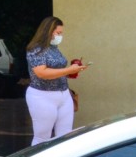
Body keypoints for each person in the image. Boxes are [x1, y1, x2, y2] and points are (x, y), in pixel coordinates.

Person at [25, 16, 88, 145]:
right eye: (58, 33)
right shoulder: (36, 49)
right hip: (42, 95)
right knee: (42, 137)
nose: (60, 36)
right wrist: (68, 70)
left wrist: (72, 71)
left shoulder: (54, 48)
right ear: (48, 31)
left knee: (65, 135)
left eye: (61, 33)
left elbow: (57, 71)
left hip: (63, 94)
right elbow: (41, 73)